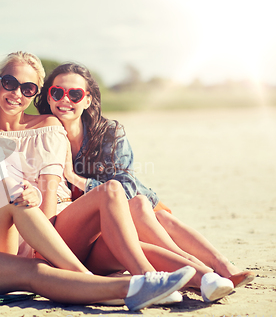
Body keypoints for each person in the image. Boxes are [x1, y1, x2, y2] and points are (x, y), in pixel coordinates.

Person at [0, 65, 195, 311]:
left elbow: (10, 188)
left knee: (13, 194)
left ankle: (89, 281)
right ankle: (125, 289)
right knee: (34, 271)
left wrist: (31, 194)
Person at [0, 52, 237, 303]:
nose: (17, 93)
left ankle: (206, 277)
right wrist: (43, 248)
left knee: (123, 223)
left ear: (35, 92)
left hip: (65, 224)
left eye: (27, 88)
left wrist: (72, 185)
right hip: (31, 232)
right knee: (121, 208)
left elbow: (53, 190)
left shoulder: (50, 125)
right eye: (9, 83)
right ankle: (151, 278)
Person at [34, 62, 255, 291]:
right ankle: (202, 271)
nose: (65, 99)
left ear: (88, 100)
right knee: (144, 212)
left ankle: (221, 267)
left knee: (150, 211)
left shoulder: (107, 132)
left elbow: (126, 186)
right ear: (49, 96)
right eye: (57, 92)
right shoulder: (41, 135)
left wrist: (77, 179)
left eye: (75, 94)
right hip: (98, 219)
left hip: (130, 201)